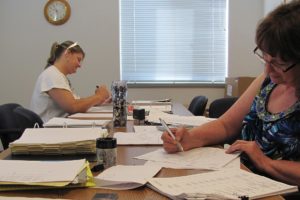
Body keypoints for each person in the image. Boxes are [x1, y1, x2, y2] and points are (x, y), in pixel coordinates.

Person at [162, 0, 300, 186]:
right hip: (237, 178)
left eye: (278, 63)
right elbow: (227, 125)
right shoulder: (268, 80)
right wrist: (190, 138)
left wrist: (266, 162)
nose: (267, 69)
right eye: (264, 58)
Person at [30, 41, 111, 122]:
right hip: (48, 131)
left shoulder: (57, 75)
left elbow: (77, 103)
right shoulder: (52, 75)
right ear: (68, 54)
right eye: (78, 59)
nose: (80, 65)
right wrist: (98, 96)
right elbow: (73, 107)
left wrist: (97, 101)